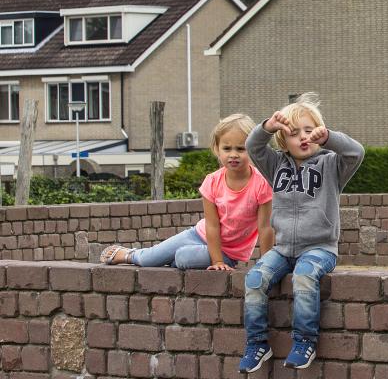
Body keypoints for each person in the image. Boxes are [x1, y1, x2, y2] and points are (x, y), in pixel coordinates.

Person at [238, 93, 364, 374]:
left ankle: (304, 341)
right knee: (255, 278)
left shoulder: (331, 164)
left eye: (309, 131)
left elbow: (356, 152)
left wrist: (329, 137)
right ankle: (257, 343)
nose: (303, 138)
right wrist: (267, 127)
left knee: (304, 277)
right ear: (284, 141)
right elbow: (252, 146)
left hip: (320, 248)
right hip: (283, 248)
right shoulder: (276, 165)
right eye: (294, 134)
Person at [98, 114, 272, 270]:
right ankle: (130, 254)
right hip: (198, 235)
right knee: (149, 259)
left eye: (240, 149)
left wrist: (265, 265)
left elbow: (265, 228)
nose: (233, 154)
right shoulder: (212, 181)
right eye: (227, 149)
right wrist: (215, 262)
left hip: (227, 253)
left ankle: (176, 259)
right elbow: (212, 225)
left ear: (253, 149)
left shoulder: (261, 184)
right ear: (217, 149)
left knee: (182, 258)